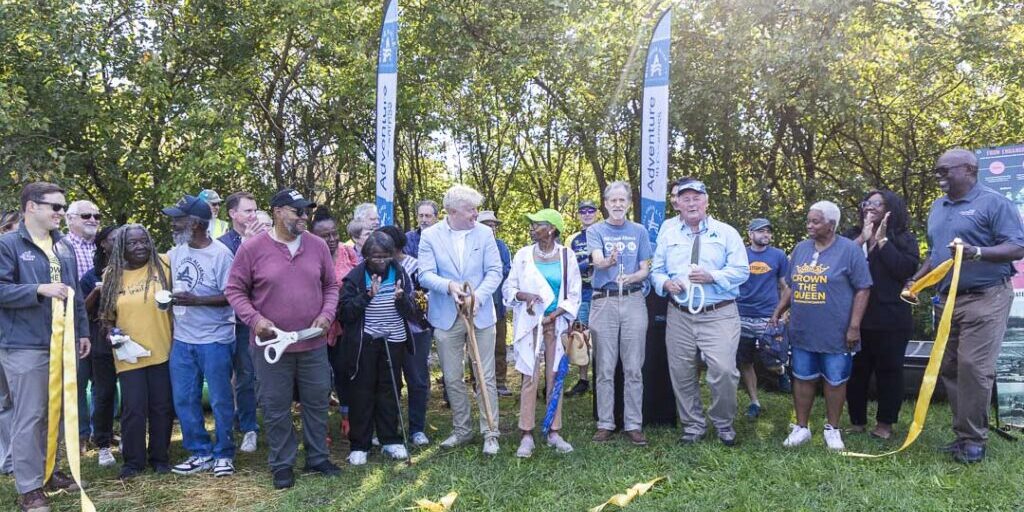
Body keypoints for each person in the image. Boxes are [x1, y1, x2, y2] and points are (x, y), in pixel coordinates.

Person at [906, 148, 1024, 463]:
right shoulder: (938, 206)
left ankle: (974, 441)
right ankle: (963, 436)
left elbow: (1017, 247)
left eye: (945, 170)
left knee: (974, 367)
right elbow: (936, 254)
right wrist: (916, 281)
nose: (939, 176)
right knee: (950, 367)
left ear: (969, 169)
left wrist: (978, 252)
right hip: (946, 299)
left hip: (986, 296)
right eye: (937, 170)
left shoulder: (994, 203)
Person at [225, 188, 340, 489]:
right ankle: (282, 465)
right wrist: (255, 320)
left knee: (316, 402)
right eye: (297, 210)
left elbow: (331, 287)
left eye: (306, 211)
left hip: (312, 343)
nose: (304, 216)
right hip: (271, 346)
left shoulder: (316, 246)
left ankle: (317, 457)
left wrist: (327, 315)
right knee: (276, 407)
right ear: (277, 212)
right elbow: (234, 290)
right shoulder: (252, 249)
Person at [0, 182, 90, 512]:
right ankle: (29, 489)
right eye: (55, 207)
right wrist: (38, 289)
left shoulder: (63, 246)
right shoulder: (7, 245)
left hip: (63, 343)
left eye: (63, 207)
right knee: (30, 415)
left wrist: (82, 332)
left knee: (57, 412)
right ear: (31, 207)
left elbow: (75, 294)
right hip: (24, 345)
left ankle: (48, 471)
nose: (61, 213)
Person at [651, 178, 749, 446]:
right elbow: (656, 271)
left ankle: (723, 423)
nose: (691, 202)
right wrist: (665, 284)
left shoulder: (727, 233)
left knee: (724, 370)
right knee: (681, 371)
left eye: (697, 197)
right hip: (680, 313)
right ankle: (693, 426)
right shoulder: (668, 233)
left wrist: (713, 276)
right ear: (677, 204)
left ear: (706, 201)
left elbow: (742, 270)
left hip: (719, 313)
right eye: (685, 198)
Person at [772, 200, 871, 451]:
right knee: (802, 377)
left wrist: (854, 326)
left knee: (835, 380)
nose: (809, 225)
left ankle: (832, 429)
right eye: (808, 220)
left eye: (815, 221)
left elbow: (863, 289)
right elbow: (792, 285)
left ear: (831, 224)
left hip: (837, 331)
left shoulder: (850, 250)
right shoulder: (802, 248)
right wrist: (779, 311)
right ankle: (801, 427)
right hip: (803, 329)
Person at [418, 184, 503, 455]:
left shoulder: (485, 233)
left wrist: (476, 297)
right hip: (445, 316)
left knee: (485, 375)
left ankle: (491, 431)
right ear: (452, 211)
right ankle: (462, 430)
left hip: (480, 314)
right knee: (452, 377)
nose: (475, 214)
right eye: (470, 210)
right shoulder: (430, 235)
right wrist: (450, 286)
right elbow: (425, 274)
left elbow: (494, 271)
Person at [162, 195, 237, 477]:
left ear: (194, 224)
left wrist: (197, 301)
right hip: (183, 337)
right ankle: (200, 452)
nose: (173, 224)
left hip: (215, 338)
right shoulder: (176, 252)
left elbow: (232, 296)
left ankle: (225, 453)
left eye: (177, 219)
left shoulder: (220, 254)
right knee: (184, 397)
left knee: (219, 399)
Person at [338, 232, 423, 465]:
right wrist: (367, 295)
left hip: (393, 339)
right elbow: (345, 313)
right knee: (362, 391)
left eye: (386, 256)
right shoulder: (355, 277)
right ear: (366, 257)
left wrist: (401, 299)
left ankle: (390, 439)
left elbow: (412, 311)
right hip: (364, 342)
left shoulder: (400, 273)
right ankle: (360, 444)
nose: (381, 262)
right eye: (376, 257)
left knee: (390, 388)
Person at [98, 224, 173, 480]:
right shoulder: (112, 275)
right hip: (129, 354)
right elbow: (106, 317)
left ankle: (160, 457)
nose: (140, 246)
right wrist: (110, 333)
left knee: (162, 407)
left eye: (144, 241)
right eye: (132, 243)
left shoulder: (163, 264)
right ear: (122, 247)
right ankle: (133, 461)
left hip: (162, 349)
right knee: (133, 408)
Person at [504, 208, 581, 457]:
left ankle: (553, 430)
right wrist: (524, 296)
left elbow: (574, 294)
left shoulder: (567, 256)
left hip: (556, 324)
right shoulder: (523, 255)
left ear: (551, 229)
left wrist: (553, 315)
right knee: (530, 376)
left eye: (537, 224)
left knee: (554, 375)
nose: (532, 228)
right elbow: (510, 287)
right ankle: (526, 433)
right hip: (530, 325)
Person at [844, 190, 919, 440]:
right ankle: (856, 422)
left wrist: (882, 241)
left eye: (879, 203)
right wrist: (862, 239)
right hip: (856, 318)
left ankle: (885, 424)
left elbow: (904, 270)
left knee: (890, 372)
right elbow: (837, 263)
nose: (871, 207)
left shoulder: (904, 239)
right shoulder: (852, 236)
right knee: (856, 372)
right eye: (868, 203)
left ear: (891, 209)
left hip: (891, 319)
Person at [588, 181, 652, 446]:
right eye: (612, 200)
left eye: (621, 200)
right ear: (605, 203)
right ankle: (605, 423)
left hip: (634, 299)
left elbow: (645, 268)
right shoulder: (595, 230)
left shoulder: (639, 231)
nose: (617, 204)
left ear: (628, 203)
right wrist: (608, 262)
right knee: (604, 366)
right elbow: (597, 260)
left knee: (634, 366)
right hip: (604, 301)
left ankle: (633, 424)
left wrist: (634, 276)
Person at [218, 191, 267, 454]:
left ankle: (249, 428)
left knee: (247, 376)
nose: (253, 215)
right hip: (224, 321)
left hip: (252, 318)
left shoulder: (266, 239)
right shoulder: (221, 244)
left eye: (255, 210)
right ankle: (228, 428)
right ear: (232, 214)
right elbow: (229, 282)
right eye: (247, 210)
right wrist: (245, 244)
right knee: (224, 378)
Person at [377, 225, 432, 446]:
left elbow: (424, 301)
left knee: (417, 380)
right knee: (389, 381)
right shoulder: (375, 267)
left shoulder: (415, 267)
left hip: (416, 331)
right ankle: (390, 427)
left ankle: (417, 428)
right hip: (387, 332)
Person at [311, 208, 358, 440]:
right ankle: (321, 426)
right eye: (324, 235)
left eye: (334, 234)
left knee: (345, 372)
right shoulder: (307, 254)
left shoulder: (348, 252)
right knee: (319, 378)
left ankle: (348, 417)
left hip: (345, 325)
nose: (331, 239)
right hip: (317, 324)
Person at [736, 218, 789, 418]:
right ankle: (754, 402)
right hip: (741, 314)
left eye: (768, 231)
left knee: (772, 360)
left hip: (769, 316)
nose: (765, 235)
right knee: (745, 361)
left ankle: (781, 372)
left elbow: (785, 287)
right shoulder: (740, 254)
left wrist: (783, 313)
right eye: (760, 231)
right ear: (750, 234)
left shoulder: (778, 256)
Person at [79, 225, 120, 468]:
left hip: (130, 339)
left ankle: (130, 437)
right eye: (114, 238)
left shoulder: (132, 269)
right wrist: (98, 290)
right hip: (101, 341)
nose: (119, 242)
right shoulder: (90, 275)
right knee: (103, 392)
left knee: (133, 391)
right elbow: (81, 310)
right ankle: (103, 443)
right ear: (103, 243)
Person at [65, 200, 102, 447]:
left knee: (102, 381)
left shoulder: (102, 248)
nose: (92, 220)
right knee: (77, 381)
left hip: (102, 325)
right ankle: (80, 434)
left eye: (97, 216)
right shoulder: (61, 247)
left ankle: (100, 431)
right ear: (70, 219)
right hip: (74, 325)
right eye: (86, 215)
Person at [565, 199, 600, 397]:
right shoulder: (573, 239)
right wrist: (585, 264)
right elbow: (568, 267)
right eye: (583, 211)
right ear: (578, 214)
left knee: (602, 337)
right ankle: (583, 379)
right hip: (582, 293)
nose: (587, 214)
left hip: (602, 292)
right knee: (581, 335)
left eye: (591, 211)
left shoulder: (604, 233)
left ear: (596, 213)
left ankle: (601, 376)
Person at [478, 211, 513, 396]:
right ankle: (480, 382)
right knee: (476, 347)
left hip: (498, 303)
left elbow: (507, 269)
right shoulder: (473, 245)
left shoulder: (502, 246)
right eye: (486, 224)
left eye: (493, 225)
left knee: (499, 344)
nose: (491, 228)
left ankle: (500, 381)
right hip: (478, 304)